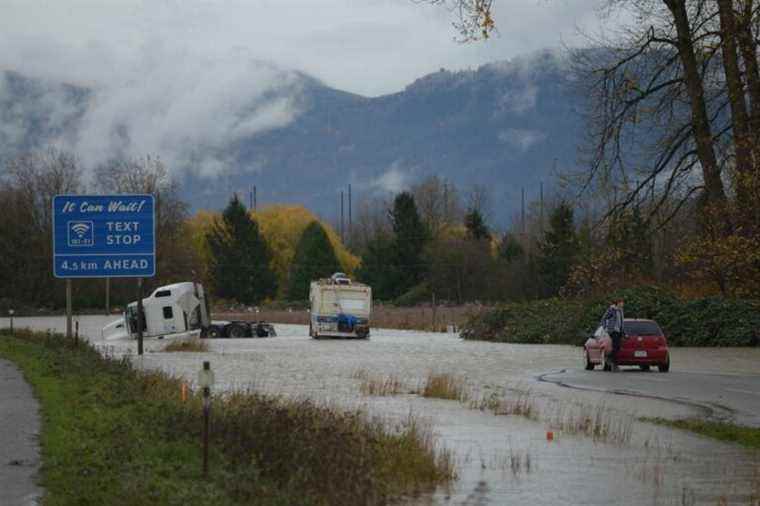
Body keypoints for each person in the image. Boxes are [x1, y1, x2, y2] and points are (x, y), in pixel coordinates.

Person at [601, 298, 625, 371]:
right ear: (617, 303)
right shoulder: (612, 310)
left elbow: (621, 321)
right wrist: (606, 327)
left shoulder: (621, 311)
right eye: (621, 302)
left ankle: (611, 360)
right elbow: (604, 319)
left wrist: (623, 331)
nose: (622, 304)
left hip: (619, 331)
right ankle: (613, 363)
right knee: (615, 346)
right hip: (613, 331)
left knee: (617, 347)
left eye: (623, 303)